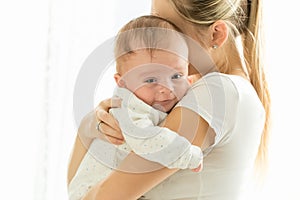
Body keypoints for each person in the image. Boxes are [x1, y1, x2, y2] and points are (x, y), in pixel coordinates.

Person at [68, 0, 271, 199]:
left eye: (167, 28)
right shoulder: (212, 91)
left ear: (216, 34)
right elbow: (79, 186)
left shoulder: (216, 91)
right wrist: (91, 125)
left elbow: (100, 196)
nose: (153, 36)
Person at [68, 15, 203, 200]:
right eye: (150, 80)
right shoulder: (129, 108)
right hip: (92, 190)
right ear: (122, 83)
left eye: (176, 76)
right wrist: (188, 155)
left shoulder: (170, 95)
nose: (167, 89)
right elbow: (150, 140)